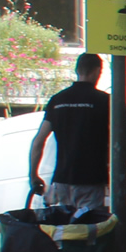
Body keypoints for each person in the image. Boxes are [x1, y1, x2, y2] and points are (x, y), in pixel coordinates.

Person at [27, 52, 108, 213]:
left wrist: (33, 175)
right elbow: (120, 141)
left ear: (78, 70)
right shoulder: (104, 101)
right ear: (97, 71)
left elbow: (38, 141)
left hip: (62, 180)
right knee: (88, 231)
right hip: (91, 180)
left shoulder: (58, 100)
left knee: (62, 230)